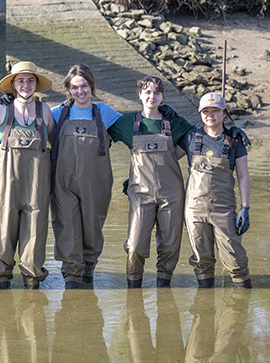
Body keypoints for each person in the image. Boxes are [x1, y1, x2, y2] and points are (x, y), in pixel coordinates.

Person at [108, 76, 194, 288]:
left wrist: (230, 133)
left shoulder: (173, 121)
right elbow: (99, 129)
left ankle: (164, 289)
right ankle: (133, 290)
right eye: (147, 92)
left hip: (172, 194)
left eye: (156, 92)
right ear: (139, 95)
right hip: (140, 194)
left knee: (170, 247)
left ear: (162, 96)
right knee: (135, 246)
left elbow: (198, 135)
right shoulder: (128, 122)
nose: (152, 96)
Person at [0, 61, 57, 289]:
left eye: (30, 80)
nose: (26, 84)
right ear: (13, 85)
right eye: (20, 80)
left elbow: (53, 144)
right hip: (6, 185)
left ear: (36, 84)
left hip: (36, 185)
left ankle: (32, 280)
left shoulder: (44, 110)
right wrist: (0, 156)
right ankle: (2, 280)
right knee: (3, 233)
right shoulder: (1, 110)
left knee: (35, 233)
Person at [50, 64, 122, 289]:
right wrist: (9, 103)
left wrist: (165, 116)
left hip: (96, 182)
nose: (80, 92)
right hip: (63, 183)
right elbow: (28, 123)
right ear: (68, 89)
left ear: (91, 86)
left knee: (92, 227)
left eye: (84, 86)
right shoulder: (56, 113)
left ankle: (88, 271)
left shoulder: (105, 112)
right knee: (66, 227)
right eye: (74, 87)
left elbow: (136, 132)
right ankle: (72, 276)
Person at [181, 92, 252, 288]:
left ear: (224, 113)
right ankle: (204, 310)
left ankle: (242, 304)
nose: (210, 115)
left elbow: (243, 176)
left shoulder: (235, 141)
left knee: (235, 260)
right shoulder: (190, 138)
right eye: (206, 111)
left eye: (215, 111)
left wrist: (245, 208)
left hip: (224, 210)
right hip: (194, 211)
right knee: (201, 261)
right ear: (200, 113)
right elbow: (165, 159)